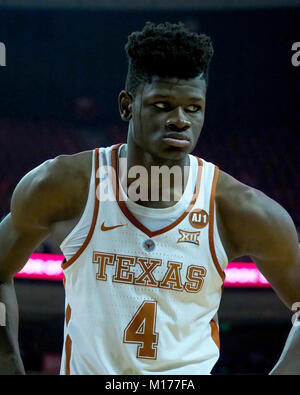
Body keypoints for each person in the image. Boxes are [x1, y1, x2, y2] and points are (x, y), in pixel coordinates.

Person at [0, 21, 299, 375]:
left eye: (193, 107)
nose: (180, 120)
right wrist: (8, 363)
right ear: (127, 105)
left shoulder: (240, 208)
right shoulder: (66, 184)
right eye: (162, 105)